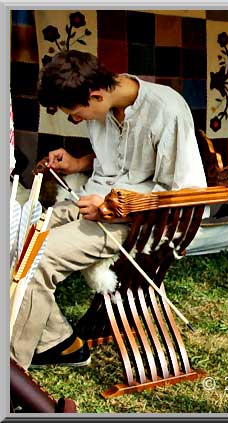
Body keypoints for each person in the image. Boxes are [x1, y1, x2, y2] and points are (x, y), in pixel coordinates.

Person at [10, 50, 207, 369]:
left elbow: (185, 192)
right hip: (92, 202)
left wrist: (115, 205)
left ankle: (11, 372)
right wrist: (78, 163)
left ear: (96, 95)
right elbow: (120, 159)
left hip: (140, 220)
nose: (75, 121)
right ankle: (57, 343)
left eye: (75, 113)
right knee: (20, 238)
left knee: (40, 256)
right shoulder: (107, 104)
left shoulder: (166, 111)